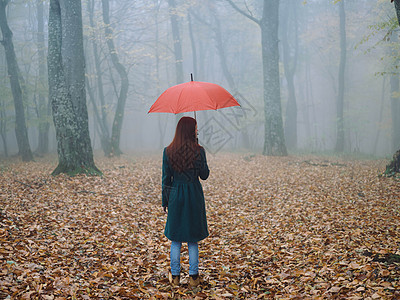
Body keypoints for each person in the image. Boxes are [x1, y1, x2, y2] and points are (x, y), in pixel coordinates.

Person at [162, 116, 210, 287]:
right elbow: (204, 175)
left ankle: (175, 277)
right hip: (194, 196)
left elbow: (166, 179)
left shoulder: (168, 151)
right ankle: (193, 278)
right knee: (192, 239)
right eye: (196, 128)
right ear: (191, 131)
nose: (197, 130)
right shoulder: (199, 151)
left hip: (175, 195)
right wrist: (199, 151)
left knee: (175, 238)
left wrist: (165, 202)